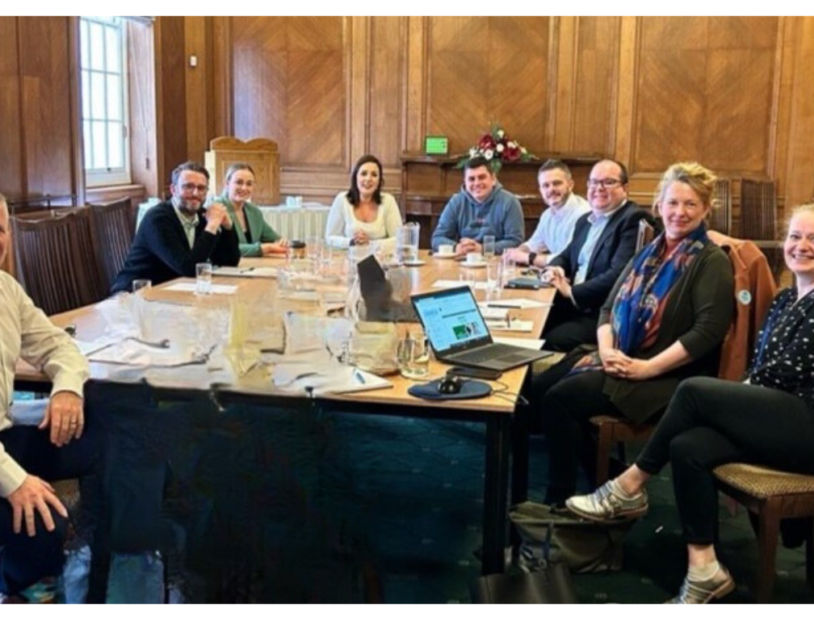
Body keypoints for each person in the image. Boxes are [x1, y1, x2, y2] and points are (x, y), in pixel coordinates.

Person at [566, 202, 814, 604]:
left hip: (806, 426)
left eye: (812, 239)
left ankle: (629, 485)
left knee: (695, 390)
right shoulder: (788, 299)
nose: (801, 246)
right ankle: (704, 569)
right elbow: (763, 366)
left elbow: (784, 372)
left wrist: (740, 395)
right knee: (688, 447)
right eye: (795, 236)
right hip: (776, 416)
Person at [530, 162, 734, 512]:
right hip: (623, 355)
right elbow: (609, 307)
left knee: (560, 398)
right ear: (659, 206)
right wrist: (607, 349)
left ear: (705, 210)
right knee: (536, 389)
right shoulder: (652, 250)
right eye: (672, 203)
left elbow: (707, 333)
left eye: (690, 205)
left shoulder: (710, 261)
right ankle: (604, 478)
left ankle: (560, 502)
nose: (679, 213)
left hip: (669, 375)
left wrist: (647, 368)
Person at [0, 194, 97, 602]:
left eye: (0, 229)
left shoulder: (5, 287)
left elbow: (61, 347)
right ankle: (19, 590)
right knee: (41, 519)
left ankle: (106, 551)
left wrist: (67, 390)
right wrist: (15, 482)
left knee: (105, 435)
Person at [539, 159, 655, 351]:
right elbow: (567, 255)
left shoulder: (633, 219)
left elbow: (619, 274)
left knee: (549, 338)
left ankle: (541, 380)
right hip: (574, 304)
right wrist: (556, 268)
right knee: (526, 320)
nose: (599, 188)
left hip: (602, 312)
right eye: (594, 182)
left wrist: (571, 292)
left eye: (608, 182)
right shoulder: (585, 220)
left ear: (625, 187)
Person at [111, 161, 240, 294]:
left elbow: (229, 262)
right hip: (136, 295)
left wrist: (228, 228)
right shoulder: (158, 219)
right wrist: (212, 226)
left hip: (173, 292)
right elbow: (188, 268)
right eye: (188, 187)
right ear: (173, 190)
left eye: (201, 188)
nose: (195, 193)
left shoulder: (202, 216)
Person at [430, 156, 524, 255]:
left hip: (496, 263)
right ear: (465, 183)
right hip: (463, 262)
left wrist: (483, 248)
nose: (477, 183)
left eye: (482, 177)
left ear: (493, 179)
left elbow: (516, 242)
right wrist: (457, 247)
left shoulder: (510, 202)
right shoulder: (456, 202)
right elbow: (437, 239)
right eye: (471, 179)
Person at [504, 159, 589, 266]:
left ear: (570, 185)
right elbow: (534, 244)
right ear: (540, 190)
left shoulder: (583, 214)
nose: (551, 189)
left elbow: (568, 259)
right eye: (546, 185)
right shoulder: (547, 215)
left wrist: (528, 257)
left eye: (557, 183)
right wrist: (516, 252)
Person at [325, 154, 403, 251]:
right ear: (356, 177)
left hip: (380, 262)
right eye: (364, 173)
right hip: (349, 260)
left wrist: (371, 244)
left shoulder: (389, 201)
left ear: (379, 181)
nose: (368, 179)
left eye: (374, 175)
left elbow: (400, 239)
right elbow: (330, 237)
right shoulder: (342, 200)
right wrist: (351, 242)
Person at [211, 163, 288, 257]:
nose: (244, 188)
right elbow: (223, 248)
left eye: (249, 184)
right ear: (227, 183)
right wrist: (263, 248)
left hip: (252, 267)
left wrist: (282, 242)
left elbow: (275, 239)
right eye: (239, 182)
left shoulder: (254, 212)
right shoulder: (215, 209)